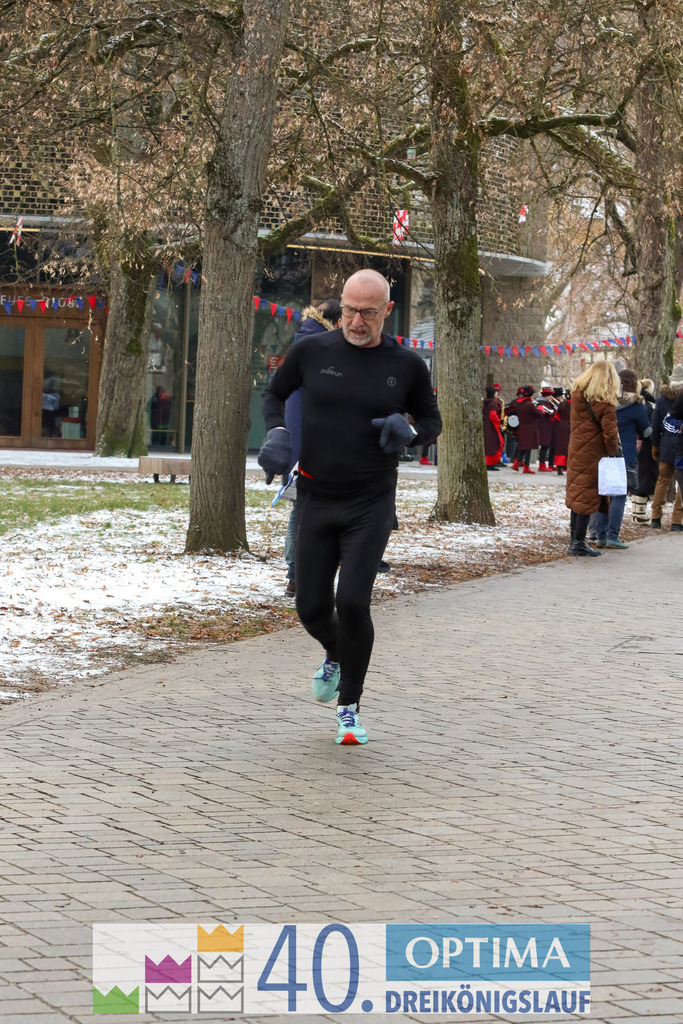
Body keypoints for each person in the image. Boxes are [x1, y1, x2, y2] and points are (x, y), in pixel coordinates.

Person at [258, 269, 442, 745]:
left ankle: (350, 707)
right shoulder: (313, 351)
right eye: (349, 310)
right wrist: (278, 433)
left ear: (387, 312)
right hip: (317, 497)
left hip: (370, 500)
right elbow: (274, 393)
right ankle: (337, 654)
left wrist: (414, 432)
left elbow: (431, 419)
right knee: (312, 607)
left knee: (354, 602)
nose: (356, 321)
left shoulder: (406, 365)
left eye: (368, 312)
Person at [282, 299, 342, 598]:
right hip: (313, 444)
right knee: (308, 511)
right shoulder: (323, 348)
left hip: (300, 442)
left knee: (301, 509)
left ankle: (296, 574)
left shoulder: (306, 342)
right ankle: (300, 574)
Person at [588, 368, 651, 549]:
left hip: (605, 453)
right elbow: (646, 432)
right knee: (619, 496)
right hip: (626, 455)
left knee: (604, 495)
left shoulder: (606, 402)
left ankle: (599, 536)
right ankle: (612, 536)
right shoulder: (637, 406)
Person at [565, 360, 620, 556]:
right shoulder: (606, 403)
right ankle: (578, 543)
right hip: (594, 455)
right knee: (586, 497)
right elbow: (611, 435)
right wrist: (614, 451)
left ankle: (575, 540)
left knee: (577, 496)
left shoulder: (578, 396)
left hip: (576, 450)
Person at [650, 363, 683, 530]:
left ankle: (655, 516)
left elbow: (655, 425)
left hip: (665, 446)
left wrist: (655, 445)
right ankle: (677, 520)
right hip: (681, 446)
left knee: (662, 481)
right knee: (680, 486)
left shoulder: (662, 399)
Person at [506, 385, 550, 473]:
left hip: (522, 427)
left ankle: (516, 463)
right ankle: (526, 467)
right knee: (528, 448)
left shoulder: (519, 403)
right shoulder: (529, 404)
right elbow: (539, 414)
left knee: (523, 446)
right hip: (530, 428)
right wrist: (541, 408)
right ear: (530, 395)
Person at [632, 377, 657, 524]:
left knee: (641, 476)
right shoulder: (647, 406)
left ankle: (637, 513)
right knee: (645, 478)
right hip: (646, 444)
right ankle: (639, 515)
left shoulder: (640, 404)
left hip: (640, 443)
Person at [482, 385, 504, 470]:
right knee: (494, 444)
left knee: (488, 445)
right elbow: (493, 415)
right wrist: (498, 422)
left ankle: (488, 462)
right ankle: (490, 463)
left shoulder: (485, 402)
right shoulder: (494, 403)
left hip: (486, 425)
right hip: (492, 427)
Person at [551, 388, 570, 476]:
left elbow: (557, 415)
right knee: (569, 448)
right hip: (571, 426)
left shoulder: (562, 403)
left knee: (561, 447)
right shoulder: (576, 405)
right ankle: (567, 466)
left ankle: (559, 467)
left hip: (561, 426)